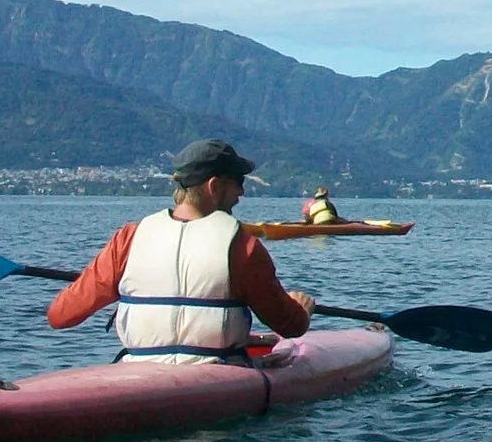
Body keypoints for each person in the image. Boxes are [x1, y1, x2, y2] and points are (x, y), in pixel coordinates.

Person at [47, 139, 314, 359]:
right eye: (238, 182)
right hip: (216, 377)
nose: (241, 193)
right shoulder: (242, 247)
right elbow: (290, 325)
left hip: (137, 374)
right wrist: (301, 310)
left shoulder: (128, 240)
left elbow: (60, 316)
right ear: (214, 187)